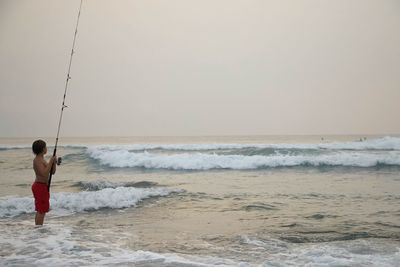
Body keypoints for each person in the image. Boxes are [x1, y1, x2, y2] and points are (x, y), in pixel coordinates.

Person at [31, 140, 57, 225]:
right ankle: (38, 230)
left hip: (43, 187)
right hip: (39, 187)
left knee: (41, 209)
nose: (46, 148)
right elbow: (44, 174)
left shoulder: (42, 159)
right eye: (45, 147)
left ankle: (37, 229)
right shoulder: (37, 160)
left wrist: (54, 163)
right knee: (41, 210)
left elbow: (52, 172)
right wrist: (50, 162)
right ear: (42, 149)